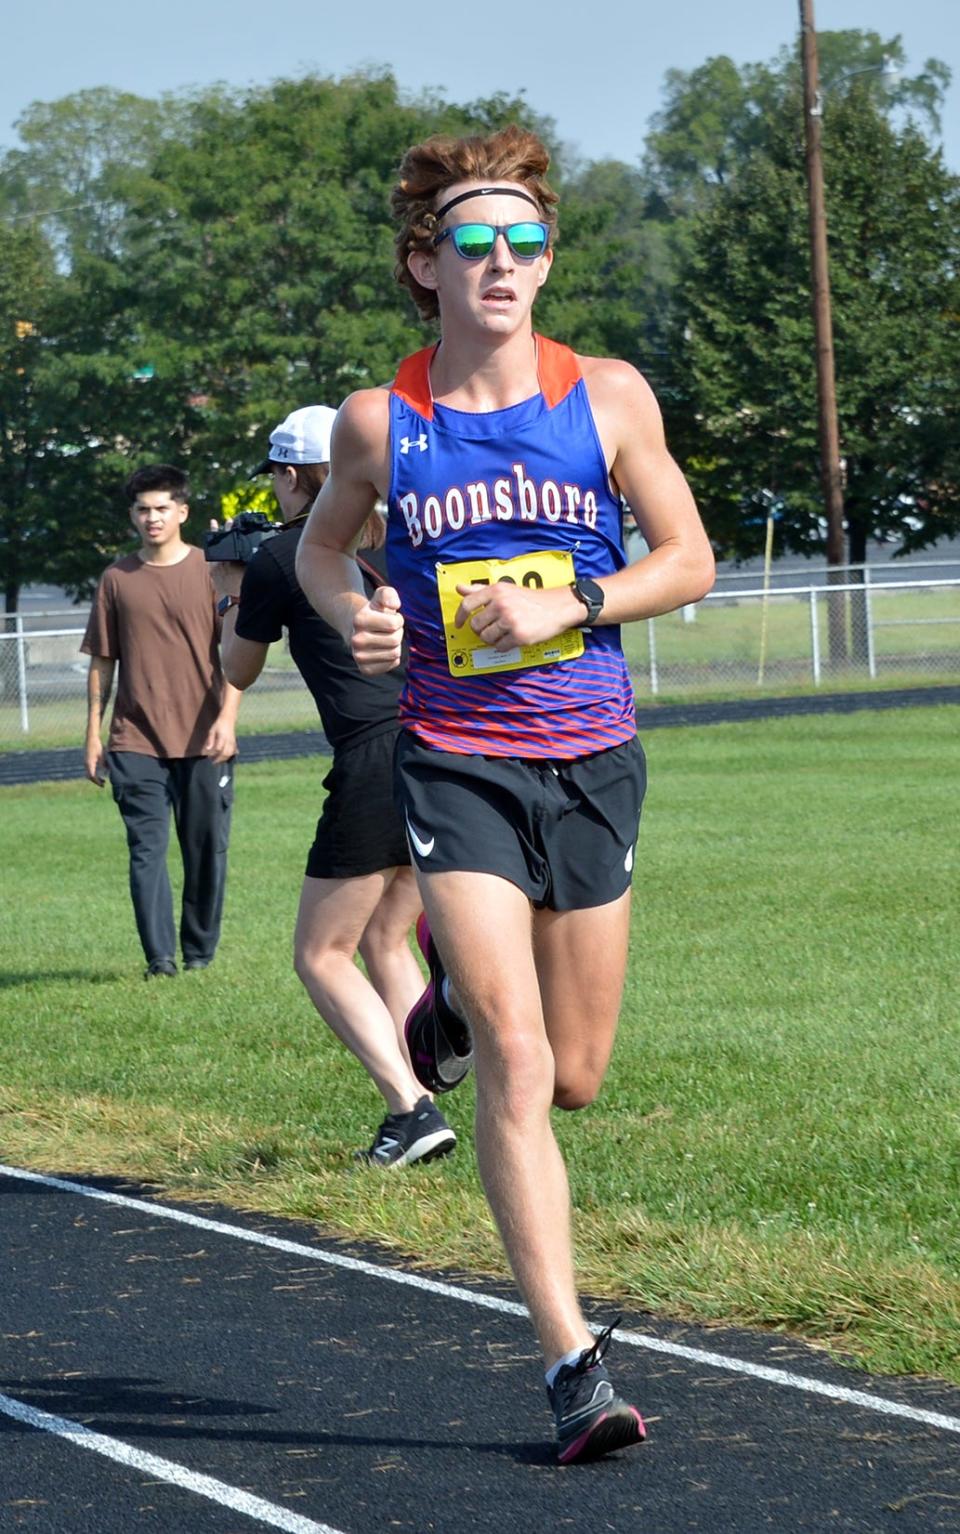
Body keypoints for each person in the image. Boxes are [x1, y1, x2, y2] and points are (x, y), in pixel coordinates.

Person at [294, 125, 715, 1462]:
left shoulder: (609, 399)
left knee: (579, 1073)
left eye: (522, 240)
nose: (499, 261)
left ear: (544, 262)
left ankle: (452, 1016)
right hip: (456, 758)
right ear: (425, 264)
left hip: (591, 757)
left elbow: (690, 556)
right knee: (523, 1066)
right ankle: (569, 1363)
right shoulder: (382, 421)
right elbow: (317, 552)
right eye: (471, 240)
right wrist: (358, 605)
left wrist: (574, 600)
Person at [210, 404, 456, 1167]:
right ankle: (433, 1055)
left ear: (291, 476)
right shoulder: (407, 536)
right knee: (385, 935)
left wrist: (230, 594)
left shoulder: (287, 554)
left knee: (320, 953)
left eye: (279, 479)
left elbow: (237, 668)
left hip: (372, 756)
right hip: (443, 748)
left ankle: (409, 1108)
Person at [82, 464, 241, 979]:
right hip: (135, 740)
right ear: (133, 516)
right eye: (143, 510)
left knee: (205, 852)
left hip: (205, 738)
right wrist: (92, 733)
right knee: (145, 852)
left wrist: (228, 718)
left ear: (182, 512)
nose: (152, 518)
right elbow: (103, 662)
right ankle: (160, 961)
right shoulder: (116, 579)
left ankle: (198, 955)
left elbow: (240, 649)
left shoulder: (209, 570)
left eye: (162, 508)